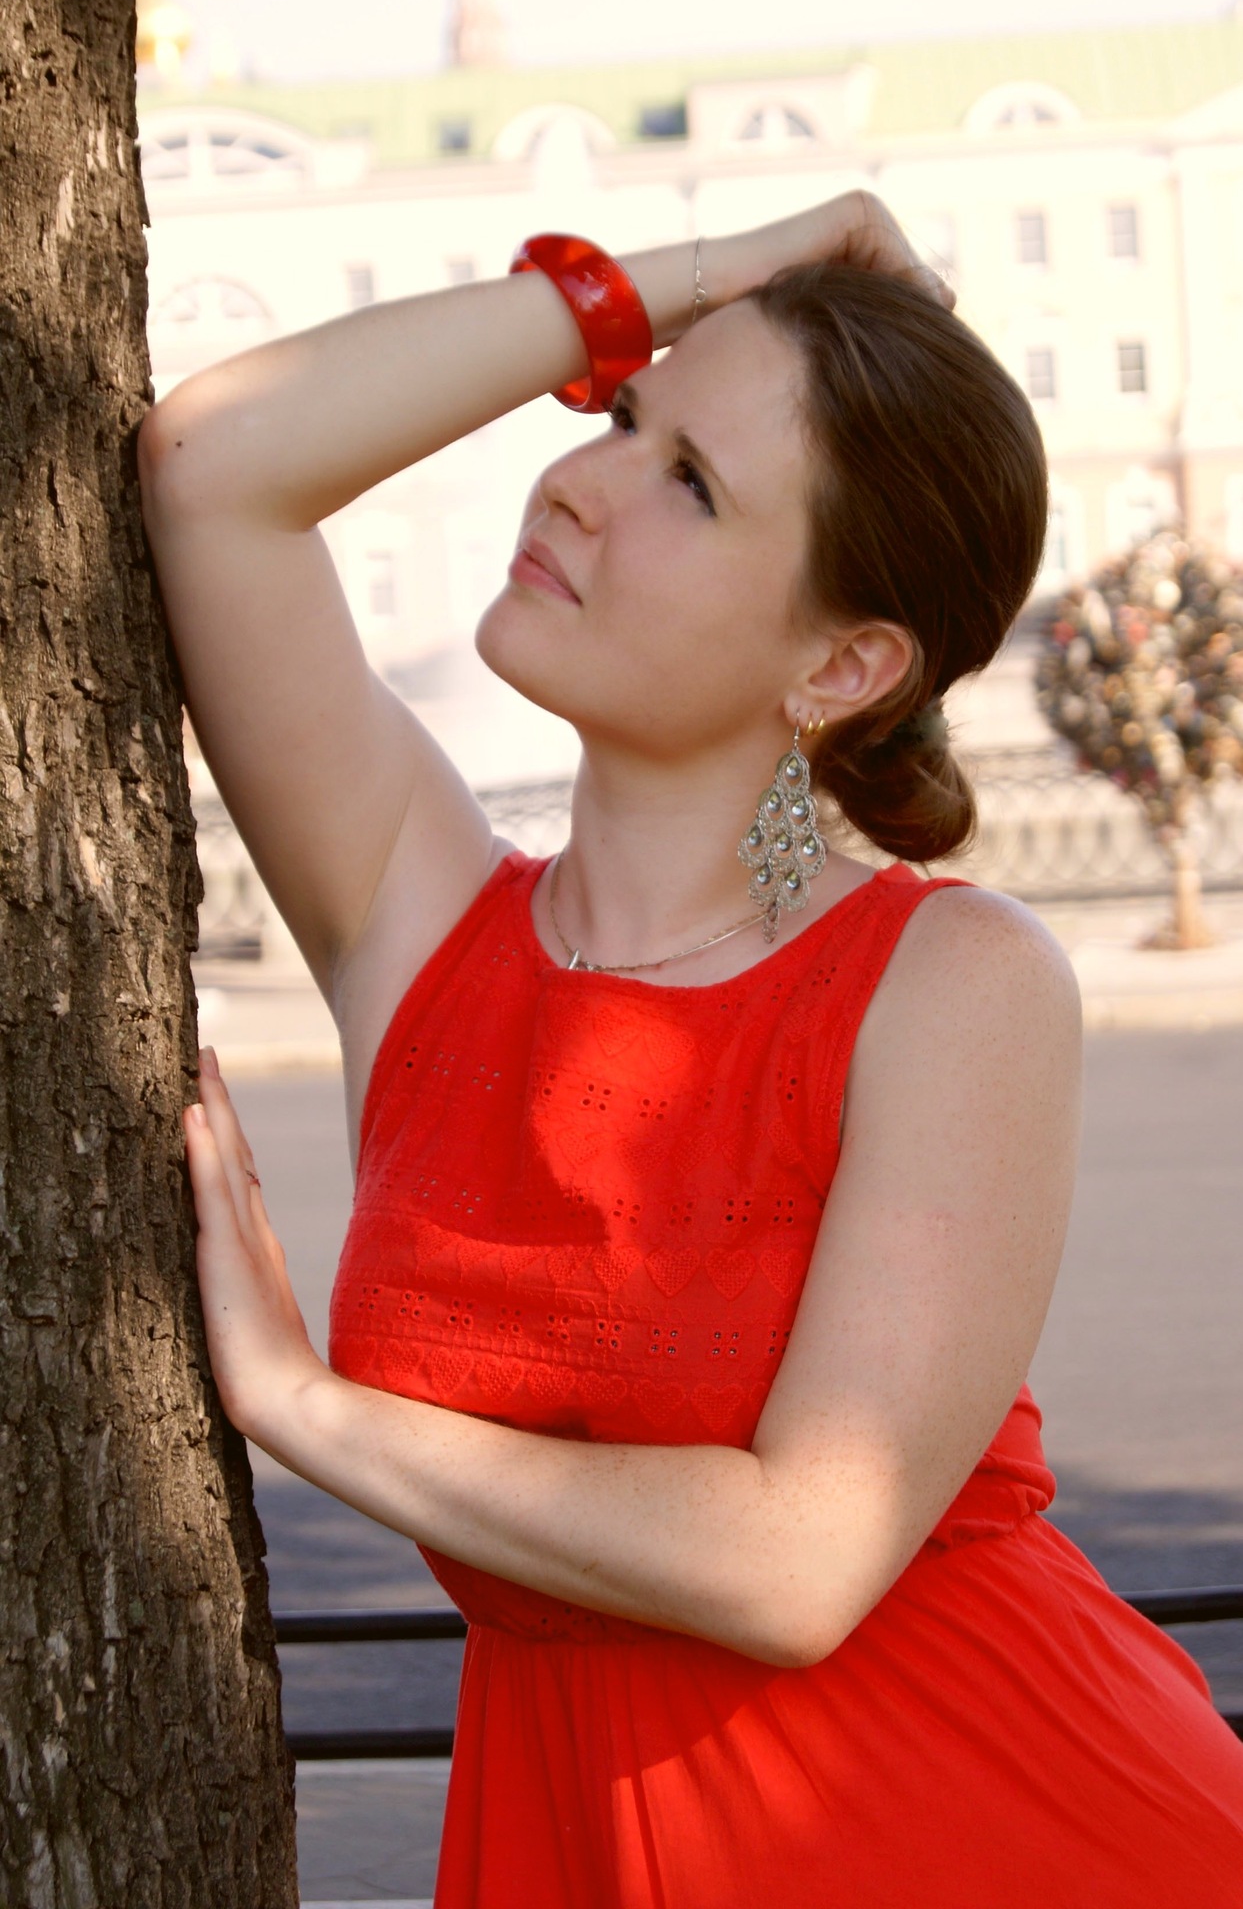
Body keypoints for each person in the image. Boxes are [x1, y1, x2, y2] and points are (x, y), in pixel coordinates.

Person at [140, 193, 1243, 1907]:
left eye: (694, 486)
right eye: (624, 420)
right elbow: (213, 464)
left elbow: (800, 1560)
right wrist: (714, 273)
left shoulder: (949, 980)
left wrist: (309, 1412)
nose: (576, 485)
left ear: (844, 663)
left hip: (983, 1833)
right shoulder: (421, 921)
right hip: (572, 1839)